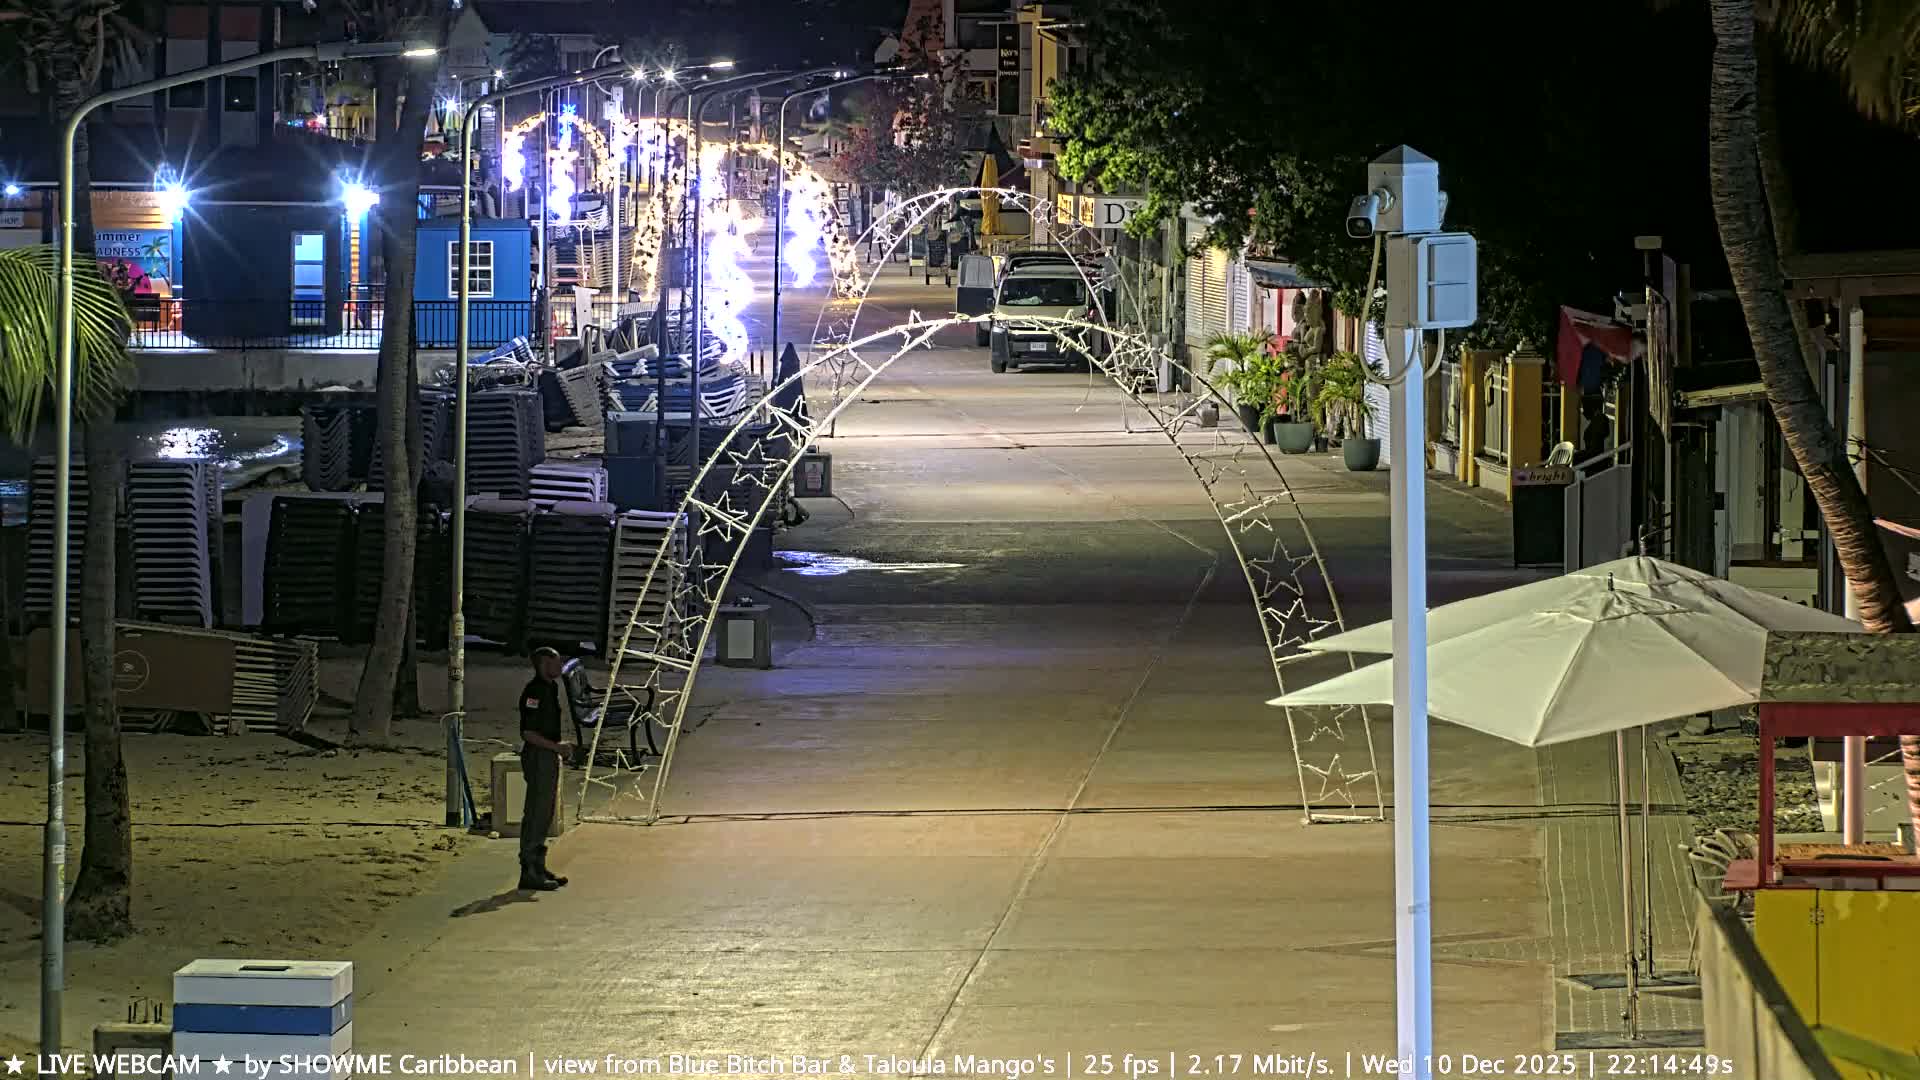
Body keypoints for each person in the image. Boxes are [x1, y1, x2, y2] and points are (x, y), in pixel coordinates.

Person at [517, 647, 573, 890]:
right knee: (536, 812)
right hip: (539, 756)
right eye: (556, 662)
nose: (560, 666)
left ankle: (538, 866)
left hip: (548, 753)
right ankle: (529, 869)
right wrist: (555, 747)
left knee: (546, 812)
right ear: (543, 663)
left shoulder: (551, 688)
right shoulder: (534, 692)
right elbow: (528, 732)